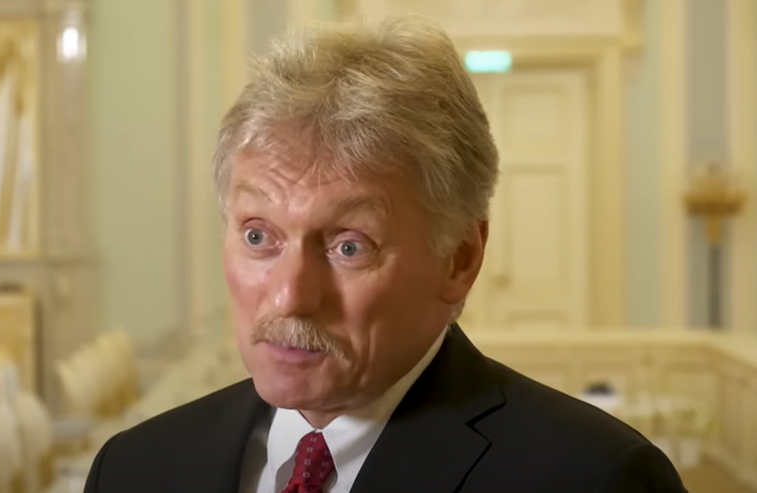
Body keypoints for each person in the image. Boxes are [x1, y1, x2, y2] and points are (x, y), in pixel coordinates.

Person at [84, 16, 687, 493]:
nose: (291, 296)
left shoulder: (596, 479)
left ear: (459, 259)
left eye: (349, 247)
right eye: (259, 237)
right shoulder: (133, 470)